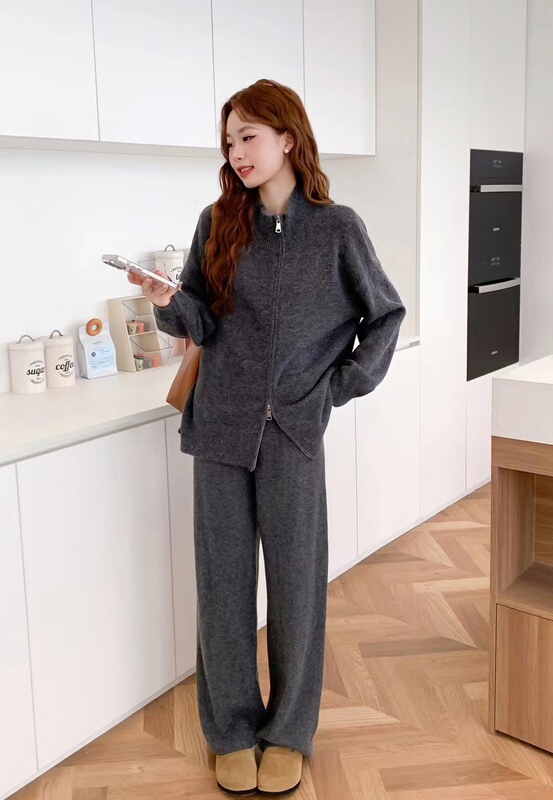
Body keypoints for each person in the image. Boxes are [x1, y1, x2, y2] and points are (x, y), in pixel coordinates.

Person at [128, 78, 406, 797]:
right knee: (222, 586)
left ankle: (288, 732)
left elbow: (384, 315)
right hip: (220, 425)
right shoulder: (217, 222)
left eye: (249, 136)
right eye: (229, 140)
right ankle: (230, 730)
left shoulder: (338, 229)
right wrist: (167, 301)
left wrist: (335, 388)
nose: (238, 152)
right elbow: (201, 321)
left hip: (294, 434)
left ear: (288, 137)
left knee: (296, 586)